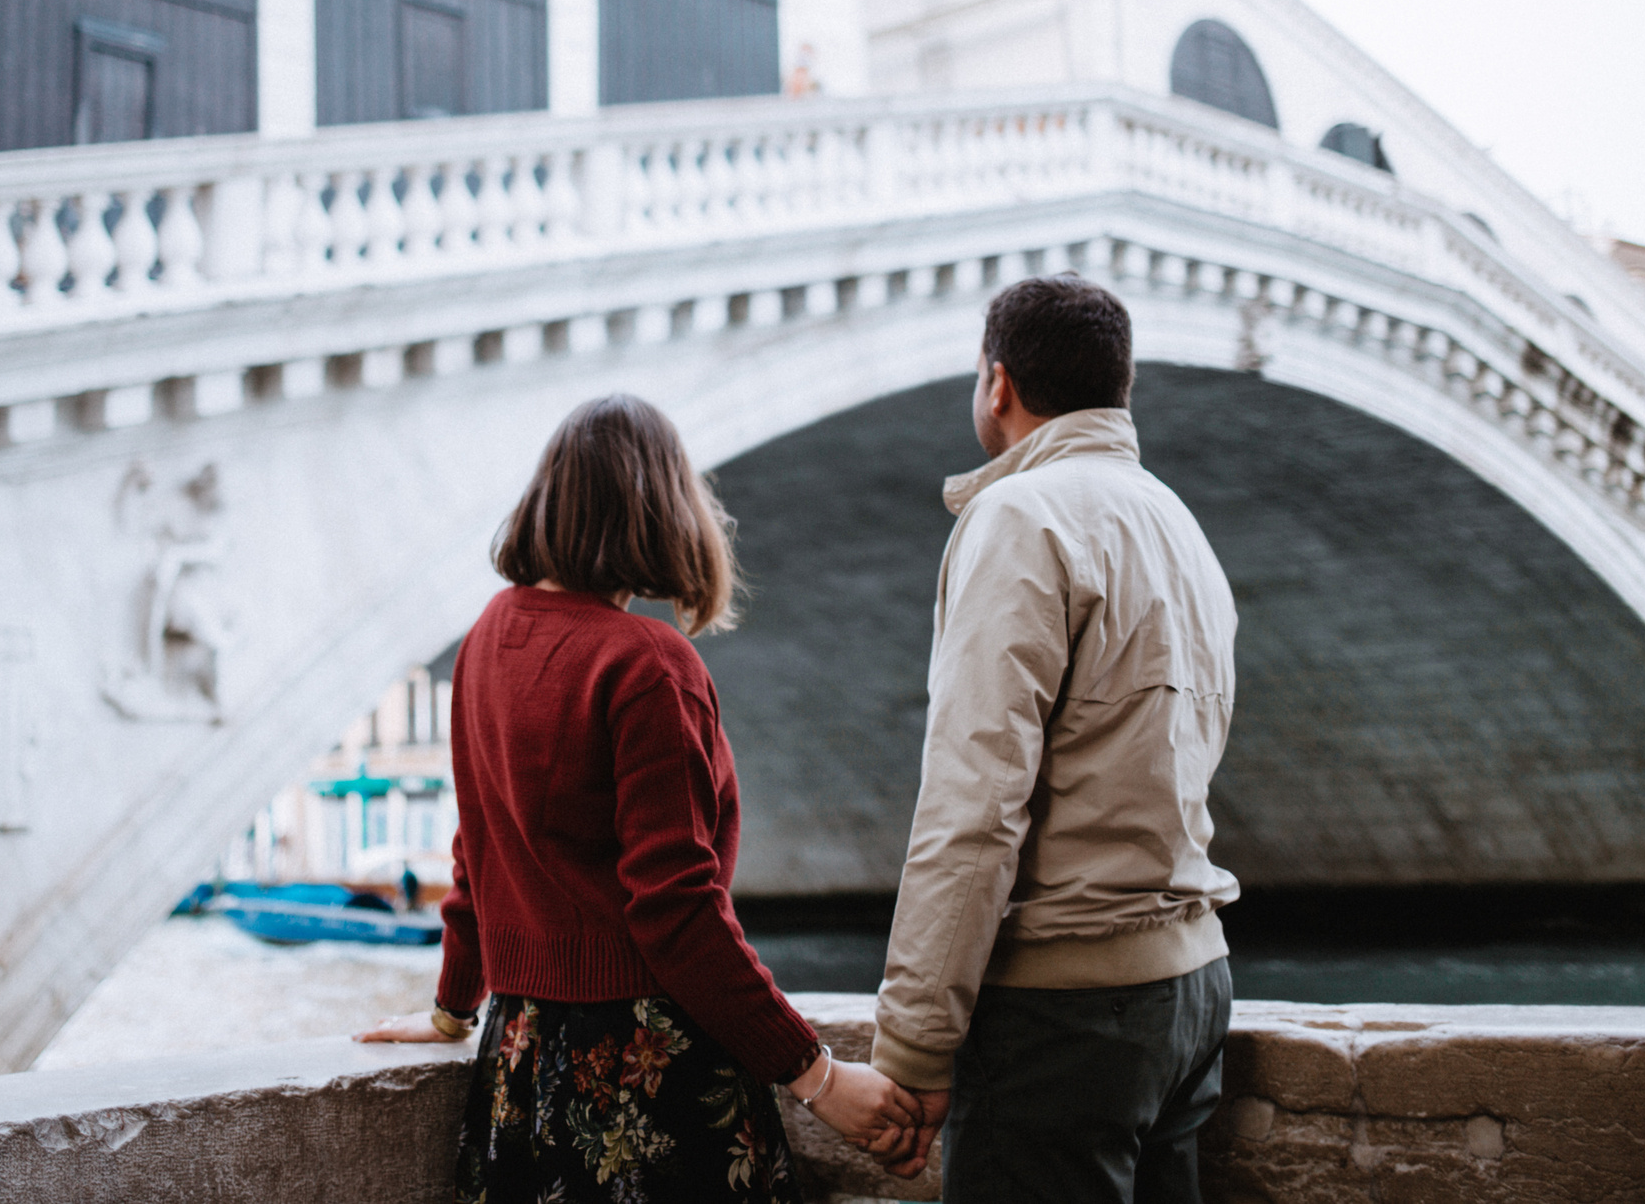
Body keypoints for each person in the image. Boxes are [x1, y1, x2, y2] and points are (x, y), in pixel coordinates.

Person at [361, 394, 924, 1201]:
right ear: (663, 508)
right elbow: (677, 908)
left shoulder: (486, 635)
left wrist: (454, 1008)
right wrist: (821, 1079)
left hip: (521, 1065)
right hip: (650, 1069)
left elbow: (475, 851)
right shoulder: (646, 663)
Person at [871, 276, 1239, 1201]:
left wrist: (913, 1043)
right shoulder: (1179, 523)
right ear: (1120, 385)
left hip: (1063, 1014)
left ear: (998, 383)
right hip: (1192, 989)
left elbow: (975, 802)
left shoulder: (1020, 517)